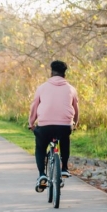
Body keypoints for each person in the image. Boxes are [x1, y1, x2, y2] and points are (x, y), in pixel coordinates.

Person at [29, 60, 79, 192]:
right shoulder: (71, 89)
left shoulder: (42, 87)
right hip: (64, 126)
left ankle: (42, 175)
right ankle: (64, 169)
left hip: (45, 126)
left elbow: (34, 107)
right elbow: (76, 108)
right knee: (65, 141)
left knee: (40, 148)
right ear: (64, 74)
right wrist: (75, 123)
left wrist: (31, 123)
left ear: (51, 72)